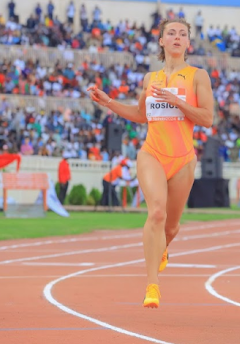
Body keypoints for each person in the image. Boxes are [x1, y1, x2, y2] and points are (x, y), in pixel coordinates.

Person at [88, 19, 214, 309]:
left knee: (170, 228)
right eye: (171, 33)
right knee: (156, 213)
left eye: (183, 34)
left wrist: (177, 101)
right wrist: (109, 102)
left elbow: (207, 119)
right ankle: (152, 286)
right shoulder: (150, 79)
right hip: (152, 153)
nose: (177, 37)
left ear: (188, 42)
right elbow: (140, 114)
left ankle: (164, 248)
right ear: (161, 41)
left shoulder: (197, 76)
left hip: (183, 159)